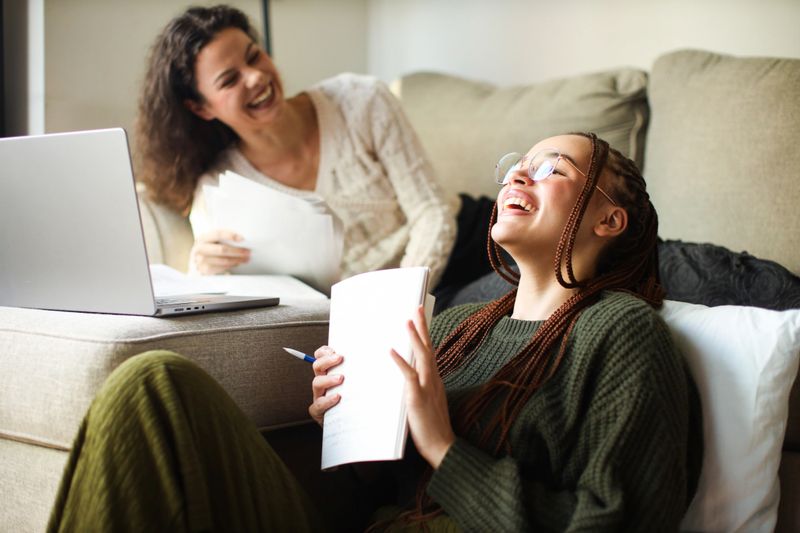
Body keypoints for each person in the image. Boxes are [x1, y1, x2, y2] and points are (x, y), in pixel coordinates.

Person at [47, 133, 703, 532]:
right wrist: (348, 426)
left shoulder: (623, 333)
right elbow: (376, 490)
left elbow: (615, 522)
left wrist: (444, 444)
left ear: (609, 220)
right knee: (154, 384)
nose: (518, 174)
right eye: (516, 163)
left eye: (552, 166)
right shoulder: (454, 325)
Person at [135, 4, 463, 291]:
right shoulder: (218, 189)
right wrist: (203, 270)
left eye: (254, 56)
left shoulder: (362, 101)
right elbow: (229, 299)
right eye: (230, 80)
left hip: (455, 258)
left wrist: (399, 306)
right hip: (364, 318)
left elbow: (432, 214)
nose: (256, 77)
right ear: (201, 108)